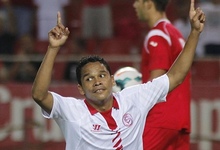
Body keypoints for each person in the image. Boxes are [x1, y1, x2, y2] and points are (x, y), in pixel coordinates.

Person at [31, 0, 205, 149]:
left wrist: (195, 33)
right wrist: (53, 48)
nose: (97, 81)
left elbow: (175, 76)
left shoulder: (134, 99)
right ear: (81, 89)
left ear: (112, 80)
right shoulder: (72, 111)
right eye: (89, 78)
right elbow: (39, 94)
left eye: (101, 75)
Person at [133, 0, 192, 149]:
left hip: (160, 118)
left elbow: (157, 80)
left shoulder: (157, 35)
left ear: (148, 4)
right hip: (181, 119)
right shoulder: (175, 33)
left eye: (138, 1)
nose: (134, 5)